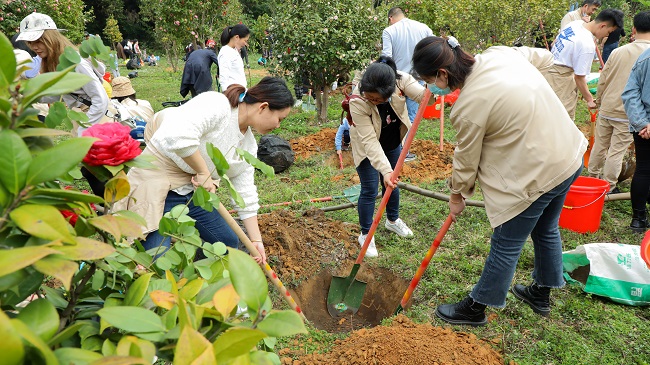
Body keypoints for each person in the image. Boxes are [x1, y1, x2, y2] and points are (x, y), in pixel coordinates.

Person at [412, 36, 587, 326]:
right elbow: (544, 57)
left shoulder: (469, 106)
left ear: (442, 74)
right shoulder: (500, 54)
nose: (431, 87)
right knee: (545, 227)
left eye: (429, 80)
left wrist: (457, 196)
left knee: (507, 242)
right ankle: (540, 293)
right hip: (569, 155)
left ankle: (476, 307)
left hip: (539, 173)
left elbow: (466, 160)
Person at [114, 77, 294, 263]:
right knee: (157, 259)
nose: (278, 125)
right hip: (156, 180)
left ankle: (204, 277)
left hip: (192, 190)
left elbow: (245, 193)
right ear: (263, 107)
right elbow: (177, 136)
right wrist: (202, 171)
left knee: (226, 241)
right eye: (279, 118)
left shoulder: (247, 145)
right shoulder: (217, 105)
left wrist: (255, 240)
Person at [349, 56, 434, 257]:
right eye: (370, 98)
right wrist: (385, 170)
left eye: (378, 100)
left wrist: (435, 86)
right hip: (367, 146)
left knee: (392, 184)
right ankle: (366, 234)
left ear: (391, 91)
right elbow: (369, 141)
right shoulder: (358, 100)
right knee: (370, 189)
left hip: (393, 141)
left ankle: (392, 221)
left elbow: (425, 98)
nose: (373, 101)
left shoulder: (401, 80)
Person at [17, 12, 109, 136]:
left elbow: (100, 98)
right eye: (30, 42)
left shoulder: (75, 62)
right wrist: (25, 93)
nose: (34, 47)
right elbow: (60, 94)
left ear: (51, 38)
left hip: (95, 119)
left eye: (38, 41)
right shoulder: (56, 63)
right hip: (82, 118)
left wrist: (86, 130)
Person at [589, 12, 650, 197]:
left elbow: (603, 79)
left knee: (600, 144)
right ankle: (608, 186)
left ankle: (592, 176)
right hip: (629, 113)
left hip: (608, 107)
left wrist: (598, 101)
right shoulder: (647, 55)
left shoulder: (618, 51)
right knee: (617, 150)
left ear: (633, 29)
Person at [546, 9, 624, 121]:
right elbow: (579, 78)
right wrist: (589, 99)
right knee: (561, 119)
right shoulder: (586, 44)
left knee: (548, 112)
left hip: (548, 70)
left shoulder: (575, 24)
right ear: (603, 26)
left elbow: (554, 43)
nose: (607, 35)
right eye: (609, 32)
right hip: (561, 80)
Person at [381, 6, 434, 162]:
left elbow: (386, 57)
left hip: (397, 81)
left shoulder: (389, 31)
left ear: (391, 18)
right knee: (410, 117)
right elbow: (433, 50)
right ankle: (405, 152)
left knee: (393, 116)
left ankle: (392, 150)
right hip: (418, 79)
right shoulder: (424, 28)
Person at [622, 32, 650, 232]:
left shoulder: (645, 56)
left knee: (644, 169)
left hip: (643, 126)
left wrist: (641, 123)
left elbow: (630, 92)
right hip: (644, 127)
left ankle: (638, 219)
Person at [218, 24, 250, 90]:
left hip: (240, 92)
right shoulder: (226, 52)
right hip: (233, 95)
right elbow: (224, 78)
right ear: (237, 37)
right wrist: (229, 96)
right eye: (245, 40)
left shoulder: (234, 51)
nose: (245, 44)